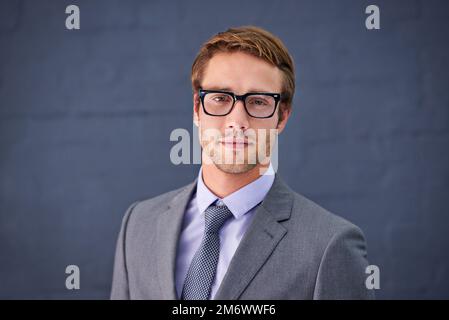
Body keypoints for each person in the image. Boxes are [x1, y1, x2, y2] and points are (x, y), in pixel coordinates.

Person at [111, 26, 374, 300]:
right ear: (197, 109)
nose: (237, 122)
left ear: (282, 117)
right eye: (220, 98)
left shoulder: (331, 244)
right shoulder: (138, 223)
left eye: (258, 101)